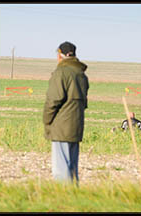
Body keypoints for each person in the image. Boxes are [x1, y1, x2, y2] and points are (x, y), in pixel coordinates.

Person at [43, 41, 89, 184]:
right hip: (76, 126)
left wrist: (46, 119)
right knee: (72, 168)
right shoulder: (81, 75)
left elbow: (53, 100)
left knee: (61, 170)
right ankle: (74, 198)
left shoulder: (61, 72)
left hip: (61, 127)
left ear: (61, 55)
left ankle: (62, 201)